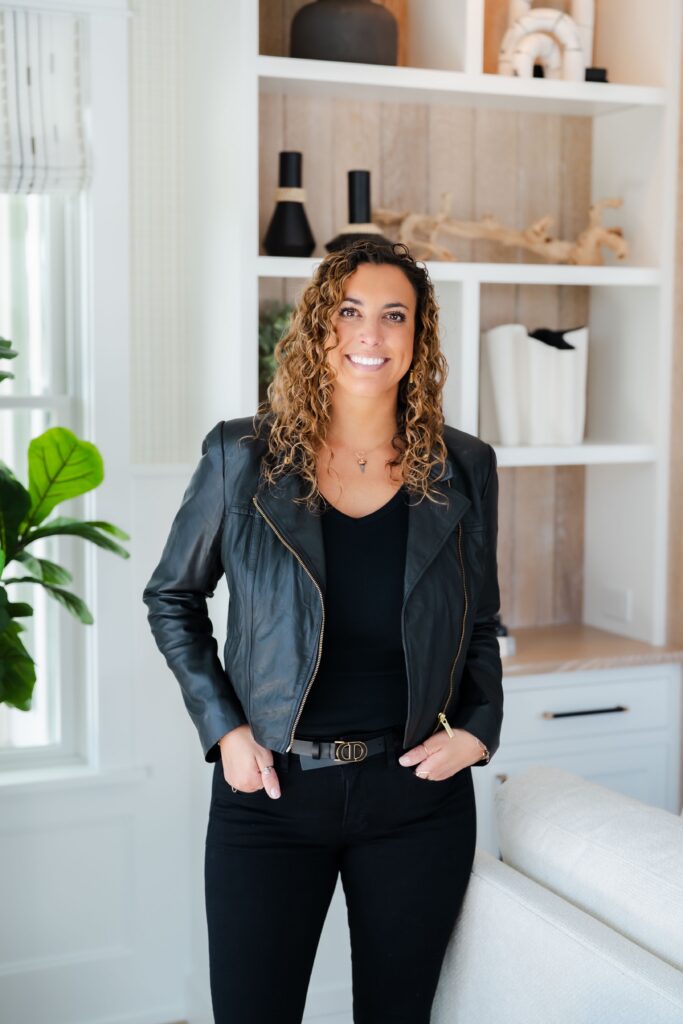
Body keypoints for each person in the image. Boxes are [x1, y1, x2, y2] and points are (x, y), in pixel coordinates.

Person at [142, 239, 503, 1024]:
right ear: (318, 327)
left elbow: (479, 620)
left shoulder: (464, 465)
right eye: (349, 311)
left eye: (393, 315)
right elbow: (173, 597)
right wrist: (225, 730)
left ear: (418, 336)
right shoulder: (242, 456)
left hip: (416, 797)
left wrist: (478, 730)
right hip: (272, 791)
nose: (370, 334)